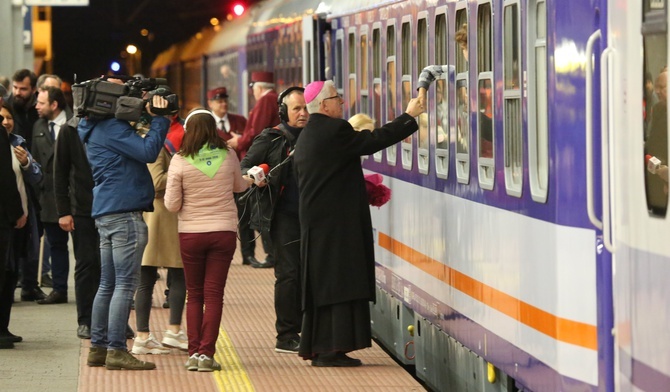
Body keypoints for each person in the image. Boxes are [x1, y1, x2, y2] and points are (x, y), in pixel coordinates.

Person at [293, 80, 424, 366]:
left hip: (319, 224)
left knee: (327, 284)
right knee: (339, 283)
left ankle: (326, 347)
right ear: (324, 104)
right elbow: (373, 140)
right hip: (336, 225)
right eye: (337, 98)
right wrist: (409, 117)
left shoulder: (309, 133)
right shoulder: (334, 129)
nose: (342, 102)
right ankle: (331, 350)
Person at [80, 83, 170, 371]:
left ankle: (98, 347)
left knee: (107, 284)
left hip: (107, 212)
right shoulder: (112, 129)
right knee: (124, 285)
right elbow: (147, 150)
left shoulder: (93, 128)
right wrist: (160, 119)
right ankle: (117, 349)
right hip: (124, 214)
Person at [164, 108, 250, 372]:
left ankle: (193, 354)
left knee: (195, 295)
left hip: (191, 234)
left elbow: (171, 204)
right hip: (222, 233)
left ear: (189, 132)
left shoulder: (179, 160)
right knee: (214, 296)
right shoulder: (228, 155)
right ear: (214, 131)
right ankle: (206, 355)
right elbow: (239, 187)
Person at [240, 87, 308, 354]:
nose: (303, 114)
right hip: (283, 217)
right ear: (284, 112)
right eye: (296, 109)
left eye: (306, 108)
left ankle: (309, 328)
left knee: (309, 274)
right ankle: (286, 335)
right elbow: (244, 167)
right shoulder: (271, 138)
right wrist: (255, 174)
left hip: (313, 217)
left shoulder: (317, 136)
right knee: (288, 274)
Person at [131, 115, 188, 355]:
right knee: (165, 275)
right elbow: (156, 181)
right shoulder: (156, 145)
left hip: (155, 217)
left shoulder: (139, 141)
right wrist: (183, 172)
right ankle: (162, 333)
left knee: (150, 278)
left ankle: (152, 334)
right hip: (160, 217)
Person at [53, 114, 101, 339]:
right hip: (81, 208)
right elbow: (60, 172)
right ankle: (85, 319)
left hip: (109, 206)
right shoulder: (69, 130)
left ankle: (109, 319)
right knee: (86, 263)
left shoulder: (111, 124)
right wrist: (63, 211)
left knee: (109, 266)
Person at [229, 71, 279, 268]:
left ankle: (271, 254)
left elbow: (257, 132)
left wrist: (238, 141)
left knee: (261, 209)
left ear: (258, 87)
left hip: (265, 162)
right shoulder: (272, 99)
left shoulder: (266, 101)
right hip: (269, 159)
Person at [30, 86, 73, 305]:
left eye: (41, 103)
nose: (36, 106)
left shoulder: (75, 123)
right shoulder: (38, 126)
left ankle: (91, 288)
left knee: (85, 249)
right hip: (48, 197)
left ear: (54, 105)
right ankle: (59, 289)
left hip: (73, 196)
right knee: (56, 245)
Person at [1, 103, 46, 304]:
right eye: (2, 118)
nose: (6, 122)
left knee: (14, 266)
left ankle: (4, 324)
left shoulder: (18, 143)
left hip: (22, 214)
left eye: (9, 118)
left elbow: (37, 177)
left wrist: (27, 164)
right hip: (5, 215)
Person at [0, 101, 27, 349]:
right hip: (5, 217)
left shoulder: (16, 142)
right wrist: (17, 211)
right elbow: (5, 178)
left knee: (9, 273)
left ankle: (3, 328)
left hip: (9, 217)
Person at [8, 69, 39, 149]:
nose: (17, 92)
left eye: (23, 89)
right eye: (15, 87)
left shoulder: (41, 107)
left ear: (33, 89)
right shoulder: (5, 106)